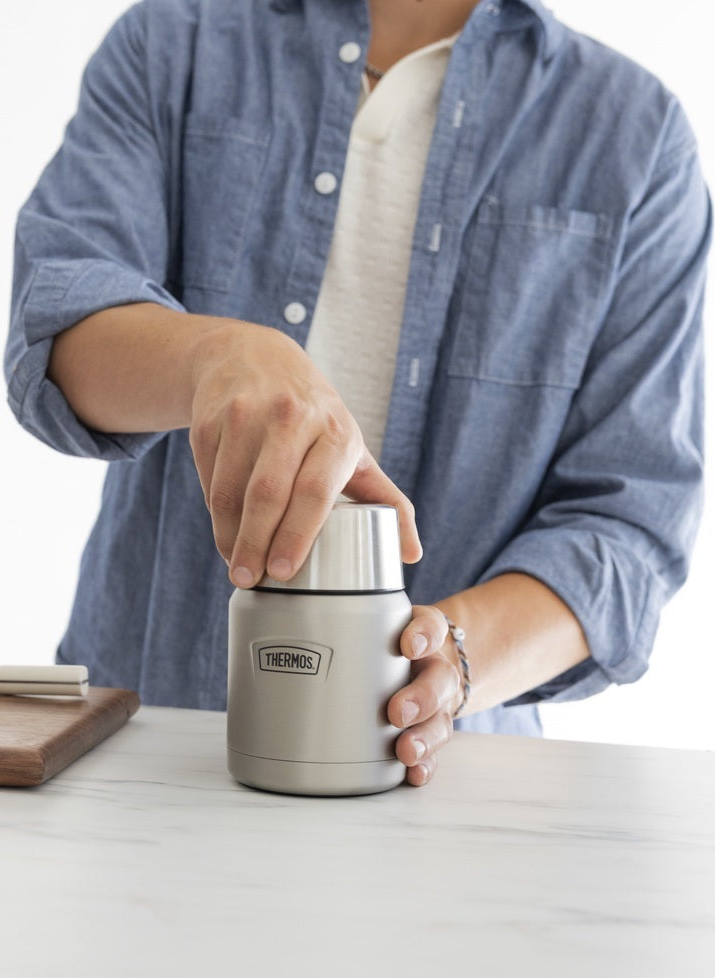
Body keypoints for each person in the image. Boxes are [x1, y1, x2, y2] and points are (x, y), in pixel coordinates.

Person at [4, 0, 710, 786]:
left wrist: (454, 655)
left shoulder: (634, 134)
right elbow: (57, 331)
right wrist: (216, 356)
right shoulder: (176, 41)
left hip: (443, 791)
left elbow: (627, 526)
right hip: (145, 760)